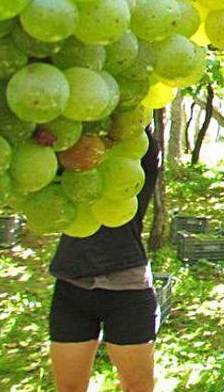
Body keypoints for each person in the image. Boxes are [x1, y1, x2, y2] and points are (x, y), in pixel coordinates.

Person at [48, 128, 161, 392]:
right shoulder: (72, 151)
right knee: (68, 388)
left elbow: (134, 125)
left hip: (127, 288)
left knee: (137, 387)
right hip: (71, 284)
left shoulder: (138, 154)